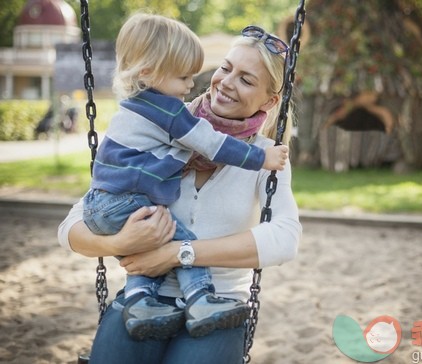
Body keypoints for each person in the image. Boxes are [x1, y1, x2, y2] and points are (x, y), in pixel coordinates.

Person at [58, 23, 301, 364]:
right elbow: (70, 228)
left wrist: (177, 253)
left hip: (221, 300)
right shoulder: (156, 124)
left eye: (246, 80)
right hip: (146, 297)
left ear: (271, 100)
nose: (227, 83)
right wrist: (119, 244)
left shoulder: (267, 157)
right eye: (226, 68)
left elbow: (284, 238)